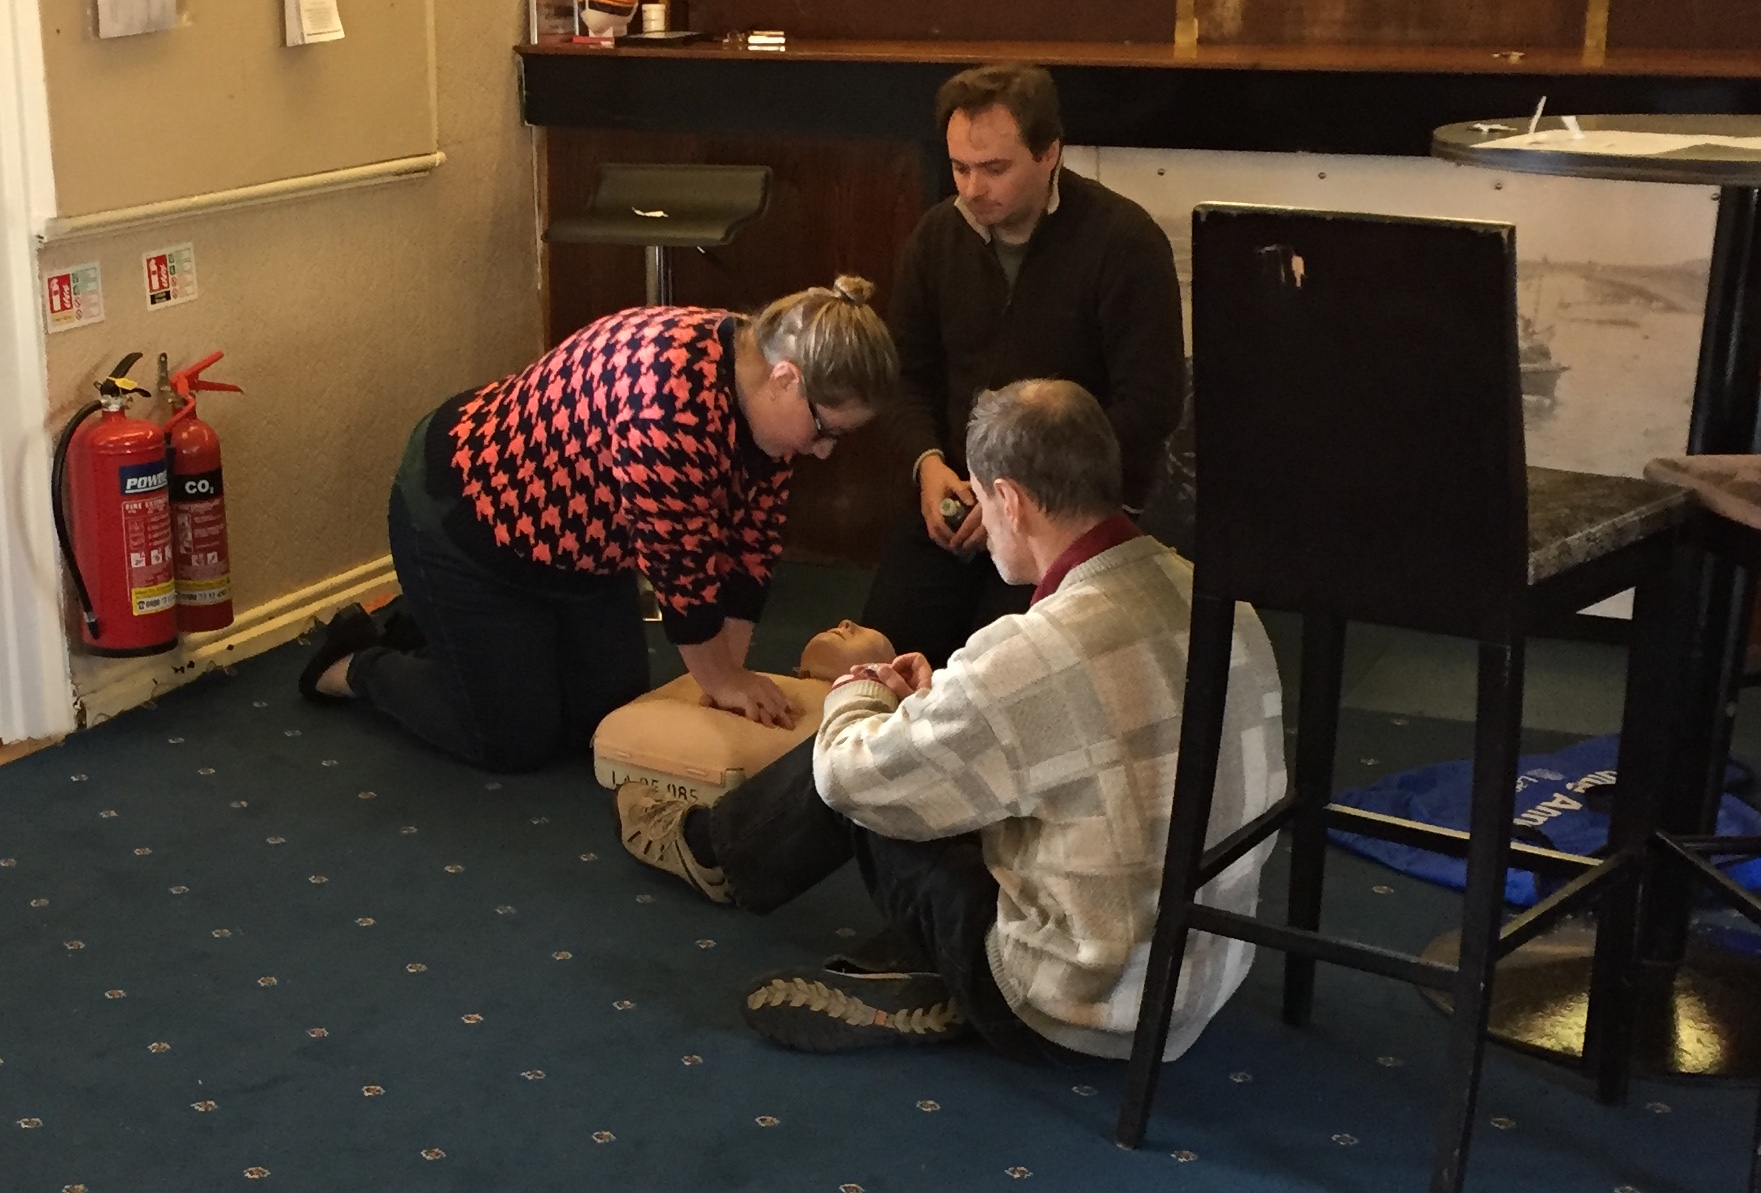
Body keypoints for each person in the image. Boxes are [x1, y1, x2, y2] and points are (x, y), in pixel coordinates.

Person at [617, 380, 1285, 1063]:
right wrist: (945, 706)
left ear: (1011, 500)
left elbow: (849, 778)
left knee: (868, 769)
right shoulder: (1222, 603)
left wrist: (862, 690)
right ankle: (905, 961)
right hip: (1197, 982)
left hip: (1070, 1007)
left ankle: (718, 854)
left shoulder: (1029, 651)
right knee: (949, 755)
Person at [296, 277, 899, 773]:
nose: (825, 452)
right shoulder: (667, 398)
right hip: (465, 525)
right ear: (787, 376)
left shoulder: (761, 380)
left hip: (582, 549)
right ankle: (357, 663)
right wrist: (721, 679)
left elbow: (753, 539)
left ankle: (433, 629)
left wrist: (729, 680)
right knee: (512, 739)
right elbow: (682, 572)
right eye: (827, 431)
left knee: (604, 718)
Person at [862, 62, 1185, 669]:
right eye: (960, 167)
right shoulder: (937, 237)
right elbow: (905, 375)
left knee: (1006, 672)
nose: (972, 189)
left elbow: (1150, 402)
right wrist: (927, 466)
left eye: (995, 169)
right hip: (957, 498)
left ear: (1049, 153)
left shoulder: (1125, 241)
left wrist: (1024, 495)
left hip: (1063, 515)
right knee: (884, 655)